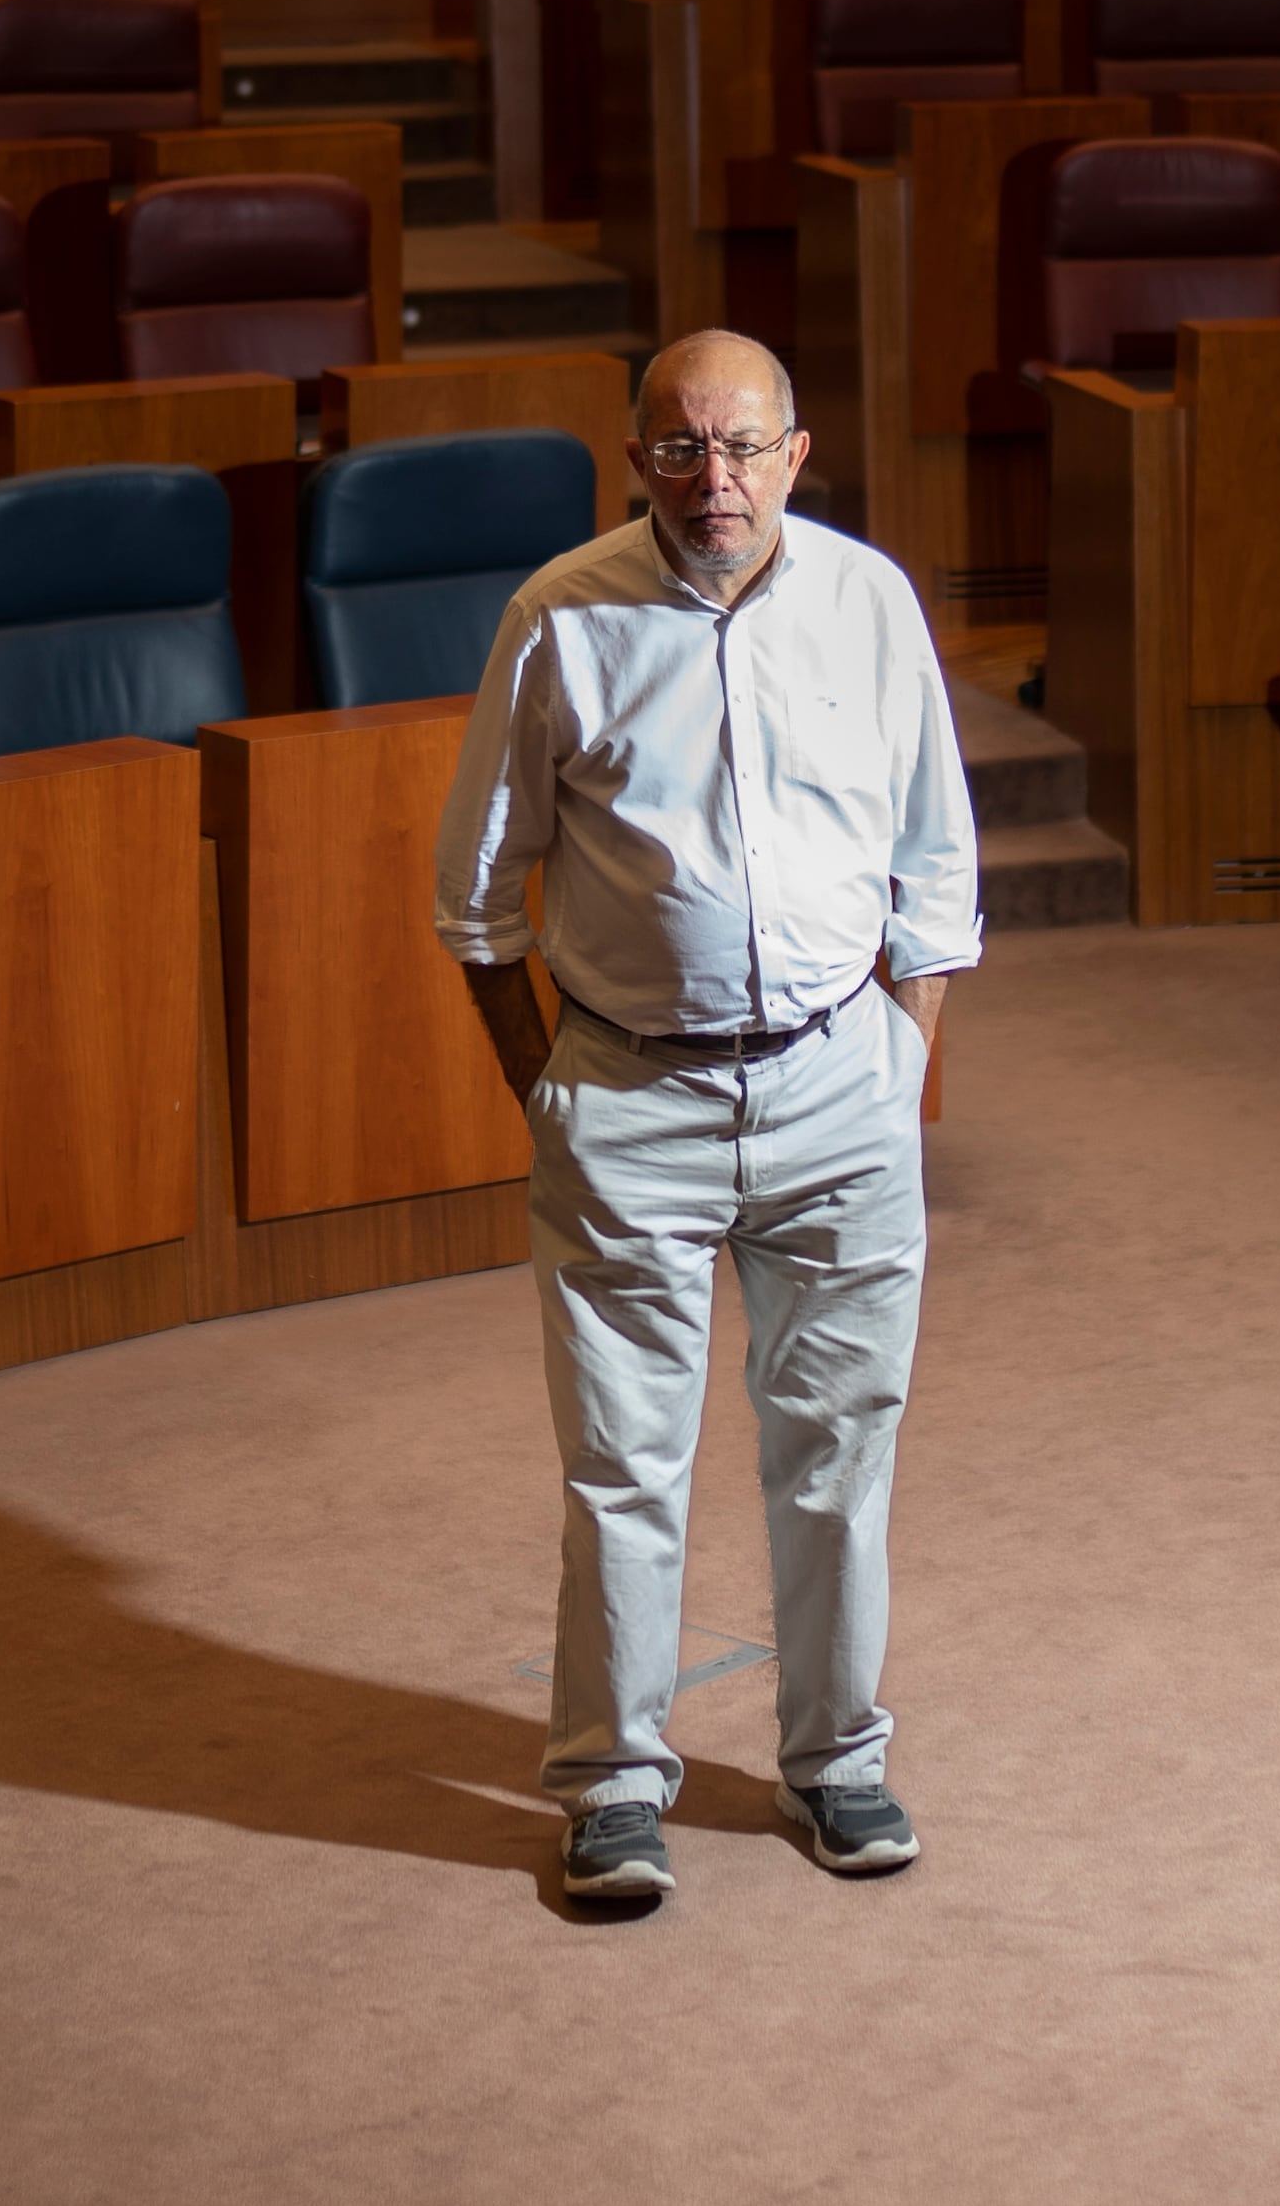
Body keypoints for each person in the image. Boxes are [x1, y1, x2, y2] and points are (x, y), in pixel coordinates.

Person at [431, 326, 981, 1905]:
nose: (715, 479)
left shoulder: (870, 603)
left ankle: (840, 1761)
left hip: (841, 1083)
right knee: (623, 1463)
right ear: (634, 458)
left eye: (744, 447)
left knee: (840, 1449)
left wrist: (897, 1054)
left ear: (799, 455)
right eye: (681, 448)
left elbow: (934, 861)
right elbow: (479, 896)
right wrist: (547, 1085)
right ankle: (612, 1784)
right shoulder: (561, 616)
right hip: (628, 1092)